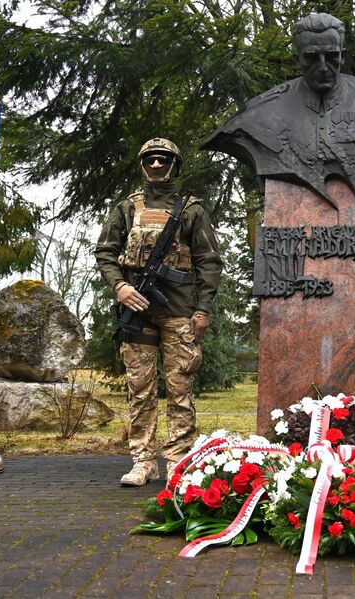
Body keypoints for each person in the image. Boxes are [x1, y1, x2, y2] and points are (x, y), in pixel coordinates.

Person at [203, 12, 355, 283]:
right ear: (298, 59)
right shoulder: (258, 116)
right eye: (312, 57)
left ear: (342, 55)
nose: (323, 67)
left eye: (332, 56)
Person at [95, 138, 223, 486]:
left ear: (174, 164)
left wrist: (203, 309)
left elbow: (209, 263)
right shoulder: (127, 208)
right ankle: (143, 461)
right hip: (136, 312)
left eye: (162, 159)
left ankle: (178, 461)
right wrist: (120, 287)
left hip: (179, 310)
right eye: (150, 159)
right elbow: (105, 252)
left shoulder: (191, 210)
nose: (155, 165)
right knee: (140, 389)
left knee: (180, 387)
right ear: (142, 165)